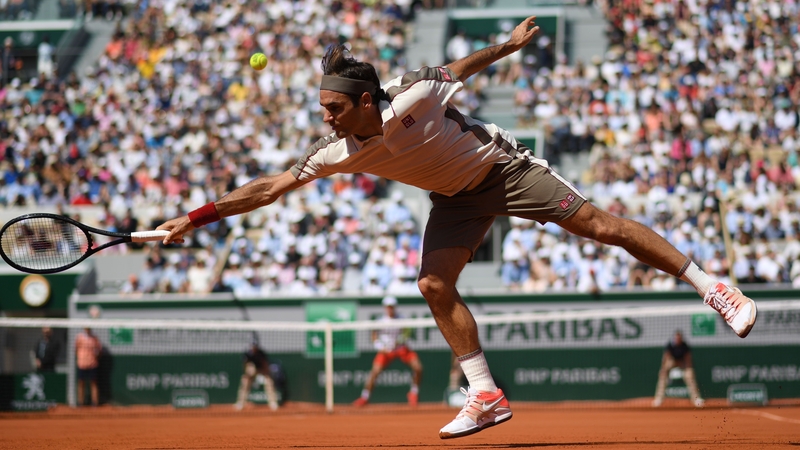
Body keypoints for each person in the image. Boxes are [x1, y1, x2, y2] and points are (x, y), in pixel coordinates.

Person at [156, 15, 757, 439]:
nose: (325, 117)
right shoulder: (334, 151)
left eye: (333, 108)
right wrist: (194, 216)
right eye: (322, 108)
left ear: (367, 101)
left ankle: (713, 286)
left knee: (598, 226)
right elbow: (268, 188)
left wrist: (509, 45)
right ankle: (485, 394)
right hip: (452, 201)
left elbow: (464, 65)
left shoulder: (413, 95)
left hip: (502, 170)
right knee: (433, 285)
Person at [353, 296, 423, 407]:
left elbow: (407, 333)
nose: (390, 309)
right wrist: (381, 347)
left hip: (401, 349)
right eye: (388, 307)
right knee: (374, 372)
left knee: (418, 367)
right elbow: (374, 336)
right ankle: (365, 397)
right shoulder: (380, 321)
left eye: (392, 307)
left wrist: (399, 341)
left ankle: (413, 393)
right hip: (385, 351)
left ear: (395, 307)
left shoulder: (402, 319)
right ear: (385, 308)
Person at [653, 330, 704, 408]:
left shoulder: (685, 346)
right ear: (674, 338)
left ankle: (696, 399)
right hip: (672, 361)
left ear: (681, 338)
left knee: (690, 375)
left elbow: (688, 359)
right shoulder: (670, 345)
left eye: (679, 338)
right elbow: (666, 357)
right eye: (676, 338)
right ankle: (659, 399)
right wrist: (663, 369)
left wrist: (689, 369)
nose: (677, 339)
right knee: (663, 374)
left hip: (682, 363)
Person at [234, 342, 279, 411]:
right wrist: (248, 373)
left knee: (269, 381)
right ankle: (240, 403)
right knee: (245, 381)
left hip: (261, 370)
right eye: (252, 346)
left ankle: (273, 403)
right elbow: (245, 365)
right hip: (251, 372)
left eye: (255, 346)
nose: (254, 348)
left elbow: (265, 365)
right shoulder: (247, 354)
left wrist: (265, 375)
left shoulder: (261, 354)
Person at [75, 327, 101, 406]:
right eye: (86, 328)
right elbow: (76, 349)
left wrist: (95, 357)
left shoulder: (95, 338)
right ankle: (80, 402)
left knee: (93, 383)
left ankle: (95, 402)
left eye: (89, 328)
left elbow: (99, 350)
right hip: (82, 364)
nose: (87, 329)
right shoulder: (79, 337)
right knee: (81, 382)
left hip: (92, 364)